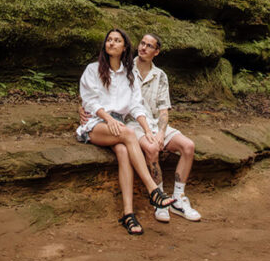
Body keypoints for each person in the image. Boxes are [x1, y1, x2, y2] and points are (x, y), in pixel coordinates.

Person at [76, 28, 176, 235]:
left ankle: (128, 215)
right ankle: (153, 190)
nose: (111, 43)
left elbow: (136, 106)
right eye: (109, 40)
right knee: (129, 134)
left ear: (124, 48)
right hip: (97, 123)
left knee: (123, 152)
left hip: (118, 126)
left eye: (116, 40)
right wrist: (109, 119)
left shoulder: (129, 75)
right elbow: (89, 101)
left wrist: (148, 130)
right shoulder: (92, 69)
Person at [128, 33, 201, 222]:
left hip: (154, 122)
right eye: (142, 43)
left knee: (188, 146)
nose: (143, 47)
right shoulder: (126, 69)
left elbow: (163, 110)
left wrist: (161, 132)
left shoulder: (160, 76)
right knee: (152, 148)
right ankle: (159, 198)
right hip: (132, 123)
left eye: (149, 46)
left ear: (156, 52)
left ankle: (178, 198)